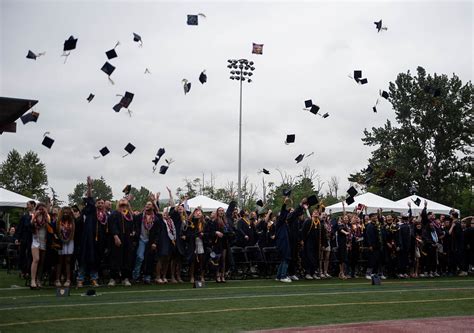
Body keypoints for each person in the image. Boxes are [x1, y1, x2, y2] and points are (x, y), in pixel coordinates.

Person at [76, 177, 101, 288]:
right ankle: (80, 279)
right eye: (85, 203)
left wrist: (89, 187)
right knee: (82, 260)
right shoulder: (82, 216)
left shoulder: (92, 214)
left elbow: (90, 200)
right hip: (83, 241)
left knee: (93, 259)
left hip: (92, 240)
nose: (86, 204)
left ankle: (94, 279)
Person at [108, 197, 136, 286]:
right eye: (121, 202)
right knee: (115, 258)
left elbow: (133, 225)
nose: (123, 203)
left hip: (128, 239)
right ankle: (113, 278)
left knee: (127, 258)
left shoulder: (129, 215)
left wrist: (133, 232)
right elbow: (113, 226)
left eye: (125, 203)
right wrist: (116, 236)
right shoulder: (114, 214)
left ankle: (125, 278)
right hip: (117, 238)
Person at [132, 195, 159, 284]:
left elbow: (157, 232)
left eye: (149, 204)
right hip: (141, 239)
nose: (148, 205)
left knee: (149, 259)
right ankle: (135, 276)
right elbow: (134, 224)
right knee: (140, 257)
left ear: (152, 207)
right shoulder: (139, 217)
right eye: (147, 204)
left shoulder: (156, 218)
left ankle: (147, 277)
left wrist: (155, 242)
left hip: (150, 241)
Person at [207, 202, 236, 282]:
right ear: (217, 212)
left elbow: (229, 230)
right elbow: (210, 231)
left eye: (222, 210)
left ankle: (223, 275)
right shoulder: (215, 221)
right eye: (220, 210)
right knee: (217, 259)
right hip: (217, 242)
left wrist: (231, 233)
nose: (221, 212)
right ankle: (217, 275)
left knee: (223, 259)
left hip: (224, 242)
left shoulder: (226, 221)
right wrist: (216, 232)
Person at [154, 193, 177, 284]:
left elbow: (173, 207)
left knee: (167, 259)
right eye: (164, 213)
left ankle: (164, 276)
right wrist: (155, 200)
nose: (166, 214)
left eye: (167, 213)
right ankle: (158, 276)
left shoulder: (171, 221)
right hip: (162, 242)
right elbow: (156, 210)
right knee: (161, 259)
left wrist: (171, 195)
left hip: (170, 241)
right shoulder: (160, 220)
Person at [183, 207, 207, 283]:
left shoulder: (205, 223)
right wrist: (193, 211)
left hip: (202, 242)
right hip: (193, 242)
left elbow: (208, 233)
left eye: (199, 213)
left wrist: (203, 234)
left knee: (202, 260)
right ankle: (192, 277)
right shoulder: (192, 221)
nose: (198, 214)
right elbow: (188, 220)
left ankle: (202, 276)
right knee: (193, 260)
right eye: (197, 213)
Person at [169, 194, 189, 283]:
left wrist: (185, 235)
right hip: (175, 240)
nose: (180, 208)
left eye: (182, 207)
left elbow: (187, 229)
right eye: (179, 207)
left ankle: (178, 276)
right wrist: (180, 202)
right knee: (173, 258)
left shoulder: (186, 218)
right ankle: (172, 276)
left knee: (180, 259)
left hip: (182, 241)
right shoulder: (175, 216)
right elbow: (173, 208)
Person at [30, 203, 50, 289]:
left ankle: (39, 279)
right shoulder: (33, 216)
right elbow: (30, 225)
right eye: (40, 209)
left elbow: (50, 224)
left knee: (41, 262)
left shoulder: (46, 217)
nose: (41, 211)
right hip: (35, 239)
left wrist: (46, 213)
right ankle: (33, 280)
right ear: (37, 209)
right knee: (36, 259)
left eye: (43, 209)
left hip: (44, 240)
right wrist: (35, 216)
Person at [55, 207, 75, 287]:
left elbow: (73, 231)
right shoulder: (58, 221)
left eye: (67, 213)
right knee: (59, 261)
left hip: (70, 241)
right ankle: (57, 279)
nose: (66, 214)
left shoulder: (72, 221)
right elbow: (57, 230)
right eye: (64, 213)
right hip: (61, 242)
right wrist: (62, 239)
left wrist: (68, 239)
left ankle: (68, 279)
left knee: (68, 260)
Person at [15, 200, 35, 279]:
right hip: (24, 238)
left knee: (30, 255)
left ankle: (29, 271)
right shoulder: (24, 216)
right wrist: (17, 238)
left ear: (33, 205)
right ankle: (23, 270)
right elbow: (20, 228)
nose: (27, 206)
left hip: (33, 238)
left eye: (28, 204)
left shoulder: (36, 215)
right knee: (22, 254)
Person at [365, 212, 381, 279]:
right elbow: (368, 236)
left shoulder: (376, 225)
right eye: (374, 216)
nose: (375, 217)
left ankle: (373, 273)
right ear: (371, 218)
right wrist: (370, 245)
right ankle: (368, 274)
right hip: (372, 245)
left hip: (377, 245)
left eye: (375, 216)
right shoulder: (369, 226)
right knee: (371, 260)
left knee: (376, 259)